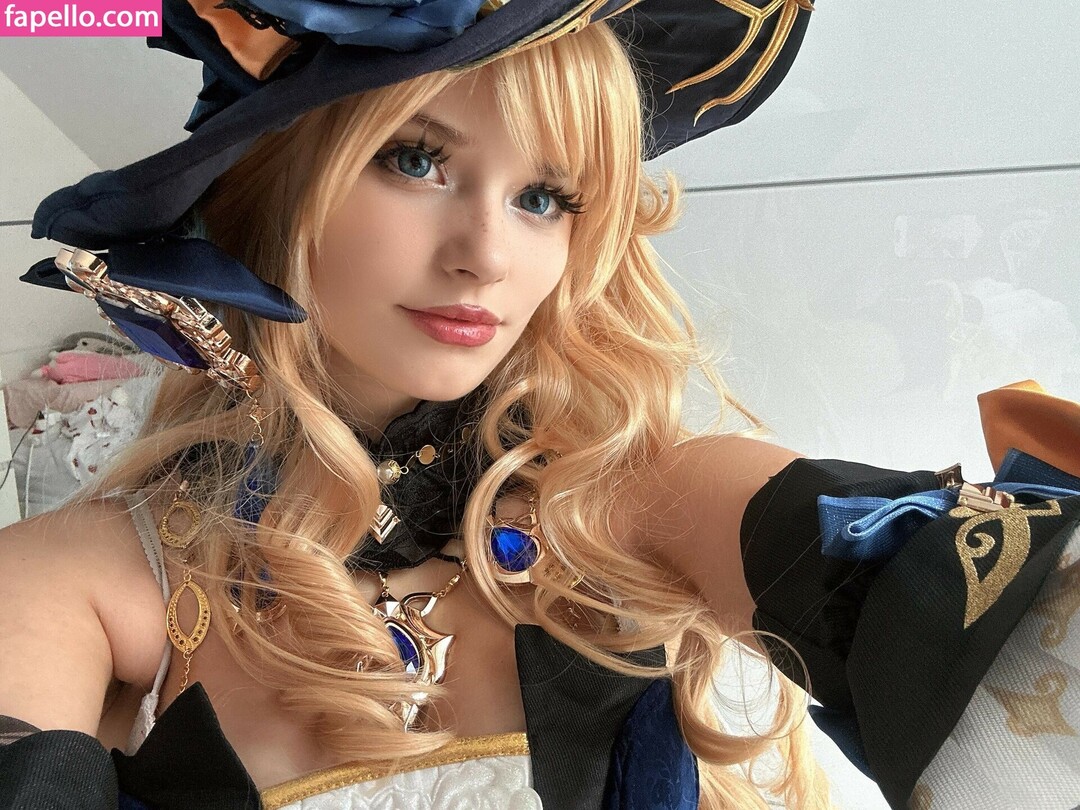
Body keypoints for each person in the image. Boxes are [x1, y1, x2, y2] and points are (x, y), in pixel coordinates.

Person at [3, 2, 1078, 809]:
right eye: (416, 159)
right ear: (275, 179)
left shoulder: (651, 496)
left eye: (544, 196)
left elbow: (1008, 636)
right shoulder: (74, 584)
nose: (487, 254)